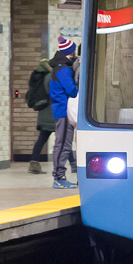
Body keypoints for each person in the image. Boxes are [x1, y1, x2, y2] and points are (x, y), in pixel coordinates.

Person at [49, 36, 78, 189]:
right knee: (63, 145)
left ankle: (60, 175)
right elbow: (71, 90)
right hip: (64, 111)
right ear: (70, 52)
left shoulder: (59, 66)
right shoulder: (63, 69)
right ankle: (59, 177)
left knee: (63, 144)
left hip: (61, 110)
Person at [26, 56, 55, 175]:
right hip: (52, 112)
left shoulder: (39, 78)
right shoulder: (49, 78)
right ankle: (73, 164)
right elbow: (53, 93)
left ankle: (34, 164)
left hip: (44, 113)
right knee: (63, 139)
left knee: (41, 139)